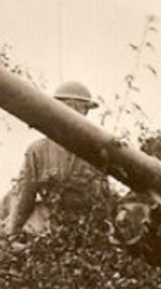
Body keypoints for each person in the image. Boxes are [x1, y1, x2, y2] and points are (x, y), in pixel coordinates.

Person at [8, 81, 109, 235]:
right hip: (47, 231)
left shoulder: (96, 151)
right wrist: (12, 234)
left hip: (84, 233)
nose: (74, 112)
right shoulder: (38, 151)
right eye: (68, 106)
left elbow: (103, 200)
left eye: (80, 107)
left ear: (86, 112)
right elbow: (24, 199)